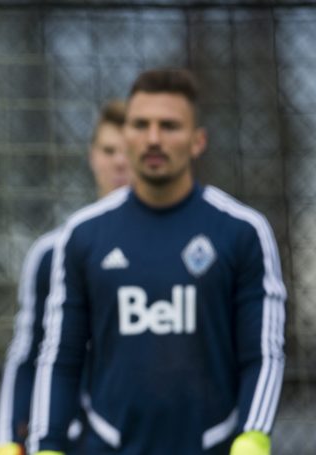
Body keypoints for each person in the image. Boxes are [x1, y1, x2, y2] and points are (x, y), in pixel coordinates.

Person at [27, 68, 286, 455]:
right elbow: (59, 358)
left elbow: (262, 353)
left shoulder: (243, 230)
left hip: (215, 446)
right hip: (106, 446)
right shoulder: (82, 234)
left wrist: (253, 435)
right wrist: (47, 444)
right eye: (140, 124)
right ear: (126, 134)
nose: (153, 138)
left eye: (169, 126)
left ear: (198, 141)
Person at [0, 100, 130, 455]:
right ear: (92, 156)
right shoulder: (54, 251)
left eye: (128, 150)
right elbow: (27, 352)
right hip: (70, 442)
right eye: (109, 150)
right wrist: (7, 441)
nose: (119, 161)